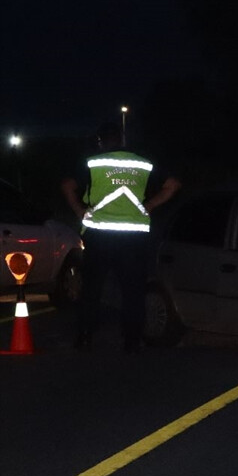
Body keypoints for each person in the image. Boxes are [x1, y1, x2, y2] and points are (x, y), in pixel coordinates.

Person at [61, 122, 181, 352]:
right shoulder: (143, 163)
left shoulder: (93, 163)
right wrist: (150, 205)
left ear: (100, 141)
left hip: (99, 236)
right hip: (133, 238)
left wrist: (79, 211)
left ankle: (85, 337)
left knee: (92, 289)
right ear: (123, 139)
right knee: (133, 291)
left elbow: (67, 185)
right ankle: (132, 341)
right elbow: (173, 185)